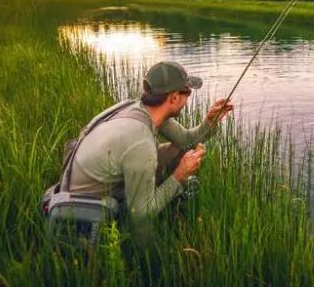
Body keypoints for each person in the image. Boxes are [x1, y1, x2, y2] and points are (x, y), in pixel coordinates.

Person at [66, 61, 233, 236]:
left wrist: (209, 122)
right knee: (143, 220)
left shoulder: (142, 109)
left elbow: (186, 141)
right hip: (86, 210)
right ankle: (142, 257)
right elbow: (140, 214)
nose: (188, 99)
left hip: (102, 183)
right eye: (188, 93)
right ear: (174, 97)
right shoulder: (140, 142)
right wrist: (180, 175)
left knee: (179, 150)